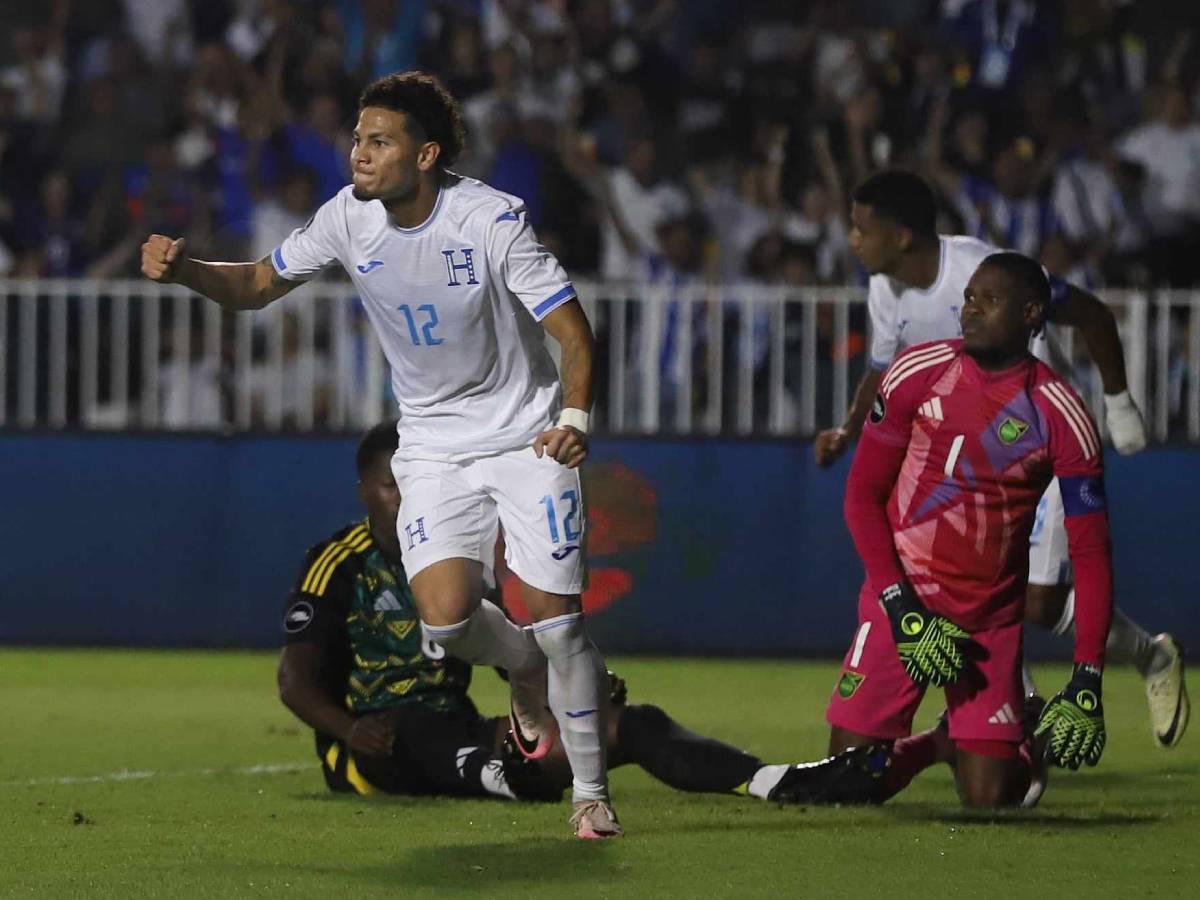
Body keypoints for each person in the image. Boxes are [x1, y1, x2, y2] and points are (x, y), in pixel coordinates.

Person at [143, 71, 619, 838]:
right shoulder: (348, 218)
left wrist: (573, 416)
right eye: (357, 138)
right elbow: (262, 282)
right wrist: (190, 272)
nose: (357, 153)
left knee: (562, 623)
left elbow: (572, 330)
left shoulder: (490, 220)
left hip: (526, 437)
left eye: (378, 140)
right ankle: (524, 669)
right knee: (447, 618)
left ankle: (590, 795)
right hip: (429, 443)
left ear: (426, 154)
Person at [277, 421, 888, 806]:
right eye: (390, 485)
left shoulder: (456, 555)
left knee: (630, 723)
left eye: (413, 480)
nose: (405, 496)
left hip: (462, 731)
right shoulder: (340, 562)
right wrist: (347, 730)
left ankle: (776, 781)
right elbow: (294, 679)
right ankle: (506, 775)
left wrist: (574, 686)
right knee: (414, 729)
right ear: (364, 492)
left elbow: (509, 653)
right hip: (372, 747)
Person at [814, 170, 1187, 751]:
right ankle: (1004, 715)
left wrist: (1119, 404)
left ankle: (1147, 656)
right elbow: (883, 371)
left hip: (1030, 448)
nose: (852, 241)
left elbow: (1089, 312)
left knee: (1037, 600)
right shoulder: (884, 291)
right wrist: (848, 427)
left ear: (902, 235)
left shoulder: (983, 268)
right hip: (961, 457)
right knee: (972, 581)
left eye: (862, 230)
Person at [829, 252, 1114, 807]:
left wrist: (1087, 678)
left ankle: (977, 741)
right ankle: (937, 742)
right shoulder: (916, 371)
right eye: (969, 298)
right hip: (901, 602)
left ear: (1033, 314)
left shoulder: (1061, 412)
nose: (970, 310)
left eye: (990, 299)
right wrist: (899, 604)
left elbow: (1092, 551)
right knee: (844, 780)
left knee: (995, 802)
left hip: (988, 620)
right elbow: (862, 498)